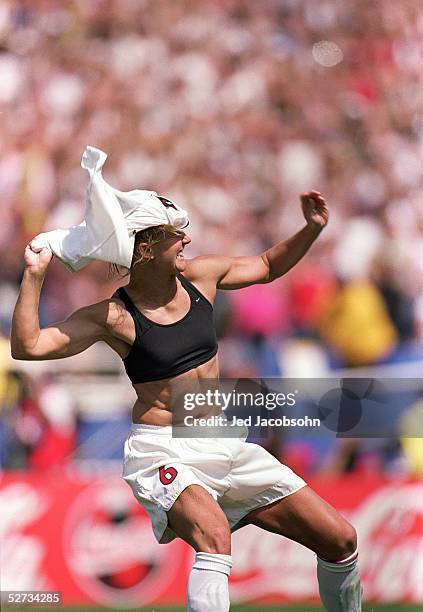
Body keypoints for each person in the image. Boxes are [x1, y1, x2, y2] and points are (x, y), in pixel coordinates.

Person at [11, 189, 362, 612]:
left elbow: (268, 265)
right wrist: (33, 274)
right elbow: (28, 346)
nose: (187, 241)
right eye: (176, 234)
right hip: (162, 451)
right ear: (144, 247)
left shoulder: (201, 277)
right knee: (215, 537)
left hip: (222, 441)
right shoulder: (114, 316)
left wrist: (311, 228)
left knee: (341, 539)